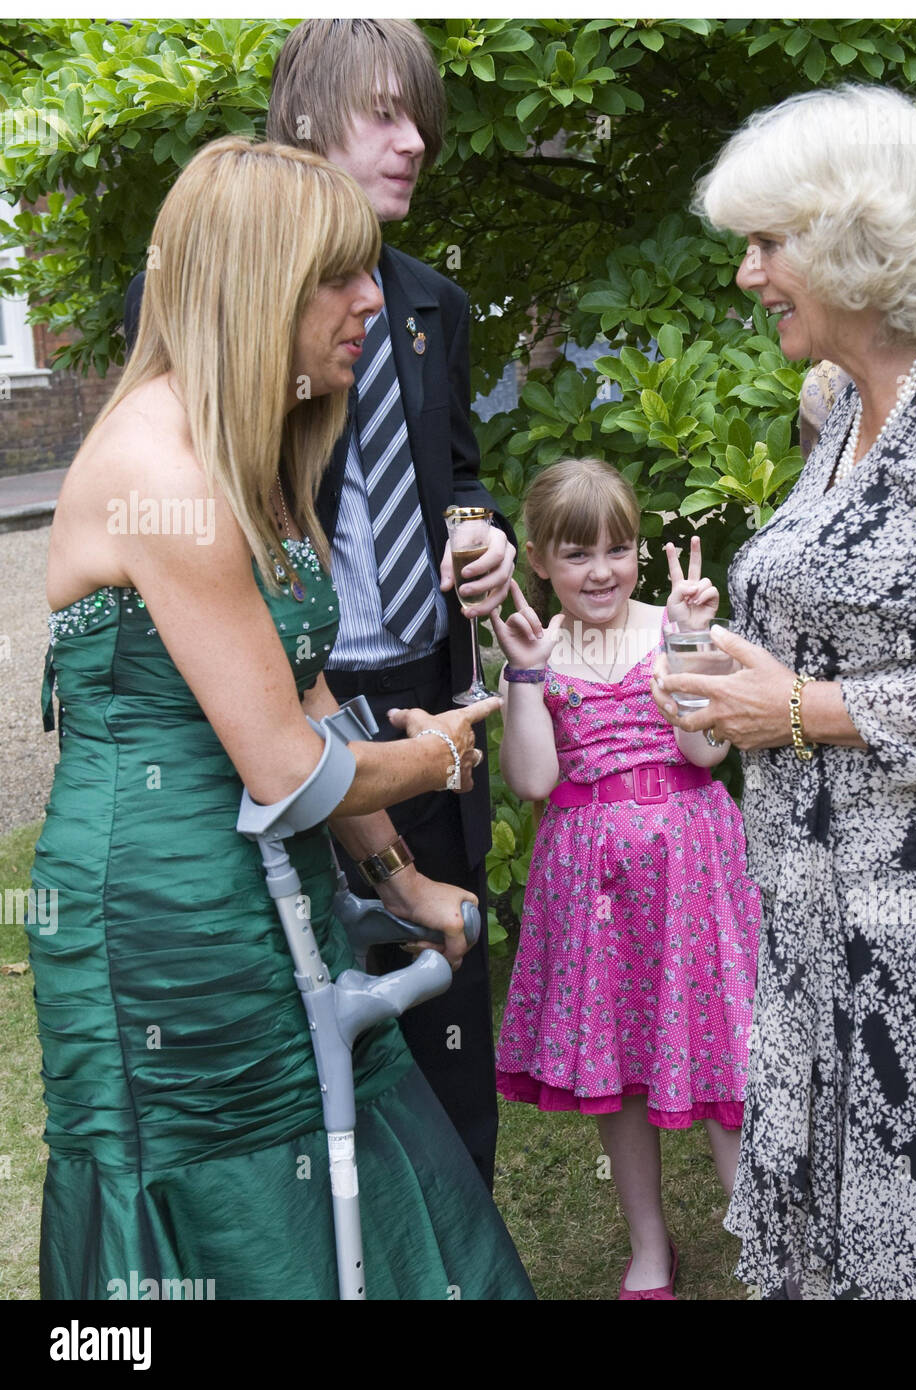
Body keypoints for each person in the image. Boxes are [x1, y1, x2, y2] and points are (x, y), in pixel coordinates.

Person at [31, 136, 533, 1300]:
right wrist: (434, 754)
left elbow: (304, 687)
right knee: (235, 1192)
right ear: (255, 284)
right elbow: (290, 767)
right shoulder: (169, 471)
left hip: (268, 888)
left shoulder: (248, 450)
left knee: (354, 1146)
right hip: (166, 924)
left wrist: (399, 882)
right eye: (338, 277)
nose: (373, 300)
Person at [653, 85, 916, 1299]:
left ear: (855, 239)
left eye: (766, 243)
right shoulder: (839, 401)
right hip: (813, 906)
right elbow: (854, 621)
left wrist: (796, 713)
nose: (747, 276)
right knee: (833, 1239)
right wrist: (722, 675)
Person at [125, 18, 513, 1190]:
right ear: (305, 118)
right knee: (314, 1034)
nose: (414, 145)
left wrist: (480, 534)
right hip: (280, 703)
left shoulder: (431, 302)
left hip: (426, 695)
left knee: (446, 1012)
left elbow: (458, 471)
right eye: (385, 115)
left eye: (423, 124)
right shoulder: (214, 315)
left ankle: (452, 1241)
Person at [490, 457, 762, 1299]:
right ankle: (649, 1245)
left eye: (618, 548)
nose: (601, 571)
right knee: (618, 1063)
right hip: (590, 882)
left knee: (723, 1050)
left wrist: (688, 649)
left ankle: (767, 1240)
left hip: (692, 867)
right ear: (537, 560)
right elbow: (533, 781)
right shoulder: (534, 653)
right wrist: (529, 676)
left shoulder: (671, 631)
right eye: (576, 555)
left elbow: (707, 751)